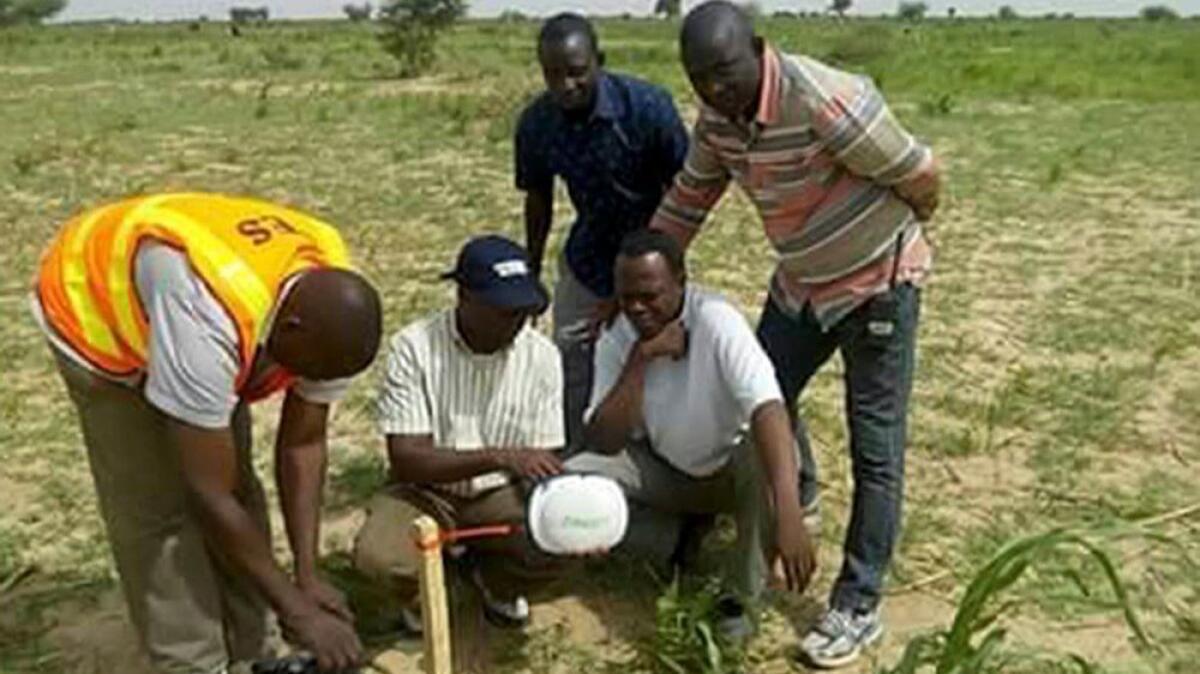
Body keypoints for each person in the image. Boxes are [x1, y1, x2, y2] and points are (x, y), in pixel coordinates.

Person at [651, 2, 943, 667]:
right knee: (759, 398)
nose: (715, 90)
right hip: (801, 286)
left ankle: (857, 604)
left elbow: (920, 173)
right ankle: (797, 491)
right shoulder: (718, 122)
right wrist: (637, 279)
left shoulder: (827, 98)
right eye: (699, 79)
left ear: (757, 48)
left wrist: (904, 238)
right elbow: (689, 199)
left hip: (878, 286)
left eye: (724, 71)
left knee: (876, 449)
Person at [31, 193, 383, 673]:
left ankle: (255, 649)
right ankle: (193, 661)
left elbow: (303, 443)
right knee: (159, 511)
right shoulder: (206, 316)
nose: (285, 384)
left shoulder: (335, 316)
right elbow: (206, 493)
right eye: (298, 369)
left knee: (237, 483)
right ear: (292, 326)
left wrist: (307, 577)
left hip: (197, 320)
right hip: (96, 323)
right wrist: (299, 612)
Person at [566, 229, 816, 641]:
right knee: (573, 478)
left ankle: (741, 600)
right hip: (667, 472)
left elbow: (769, 406)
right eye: (626, 297)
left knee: (765, 451)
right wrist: (640, 359)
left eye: (650, 295)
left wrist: (789, 512)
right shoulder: (617, 334)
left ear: (682, 281)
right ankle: (674, 543)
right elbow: (604, 440)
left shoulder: (716, 319)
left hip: (729, 474)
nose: (637, 308)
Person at [353, 235, 565, 630]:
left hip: (501, 492)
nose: (517, 322)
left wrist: (570, 518)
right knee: (379, 557)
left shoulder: (543, 356)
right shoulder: (414, 348)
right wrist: (500, 455)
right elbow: (408, 459)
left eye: (525, 311)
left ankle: (494, 582)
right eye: (504, 311)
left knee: (559, 538)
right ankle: (422, 595)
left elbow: (540, 461)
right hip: (425, 492)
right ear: (464, 297)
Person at [515, 12, 689, 447]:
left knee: (664, 356)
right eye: (552, 75)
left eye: (576, 72)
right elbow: (537, 198)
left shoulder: (648, 108)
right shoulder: (537, 123)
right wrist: (530, 273)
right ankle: (578, 455)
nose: (564, 86)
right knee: (572, 363)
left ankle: (661, 451)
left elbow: (685, 192)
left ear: (599, 61)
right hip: (589, 258)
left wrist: (657, 272)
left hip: (652, 257)